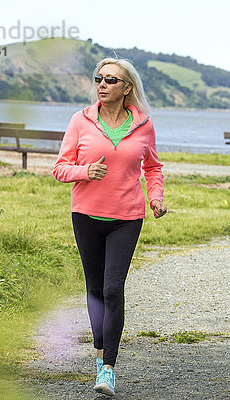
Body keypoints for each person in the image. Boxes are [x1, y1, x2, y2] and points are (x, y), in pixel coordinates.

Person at [53, 57, 167, 396]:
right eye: (99, 78)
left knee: (114, 288)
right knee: (96, 289)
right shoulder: (80, 120)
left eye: (111, 80)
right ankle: (100, 353)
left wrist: (156, 197)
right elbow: (60, 168)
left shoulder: (143, 124)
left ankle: (108, 368)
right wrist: (85, 172)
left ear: (127, 88)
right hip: (86, 215)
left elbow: (153, 168)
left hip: (127, 218)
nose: (102, 84)